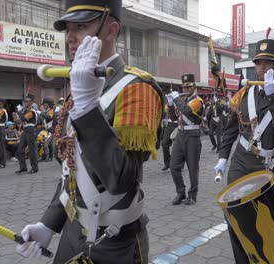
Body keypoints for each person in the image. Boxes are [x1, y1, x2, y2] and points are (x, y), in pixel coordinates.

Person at [15, 1, 164, 263]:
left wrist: (86, 109)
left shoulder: (138, 88)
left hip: (114, 241)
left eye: (81, 26)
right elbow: (72, 170)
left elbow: (120, 178)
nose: (70, 36)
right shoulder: (81, 86)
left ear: (111, 29)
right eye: (67, 28)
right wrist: (49, 224)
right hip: (73, 230)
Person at [213, 39, 274, 263]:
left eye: (267, 63)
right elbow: (231, 129)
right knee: (236, 215)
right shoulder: (244, 93)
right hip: (242, 162)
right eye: (258, 63)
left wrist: (273, 96)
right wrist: (223, 158)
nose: (261, 67)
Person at [167, 74, 203, 205]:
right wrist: (170, 104)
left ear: (194, 86)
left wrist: (176, 99)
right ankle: (180, 192)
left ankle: (192, 195)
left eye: (189, 86)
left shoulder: (197, 100)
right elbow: (173, 118)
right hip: (180, 135)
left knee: (193, 168)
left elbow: (187, 111)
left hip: (193, 136)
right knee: (173, 166)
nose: (186, 89)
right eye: (184, 87)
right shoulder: (181, 100)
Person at [15, 94, 39, 174]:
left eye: (27, 101)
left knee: (32, 150)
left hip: (31, 130)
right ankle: (23, 168)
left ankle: (34, 168)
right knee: (20, 150)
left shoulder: (32, 110)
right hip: (25, 130)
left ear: (31, 102)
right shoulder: (25, 110)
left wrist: (19, 111)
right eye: (24, 101)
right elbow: (20, 120)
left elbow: (24, 118)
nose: (25, 103)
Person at [161, 100, 178, 171]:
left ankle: (179, 163)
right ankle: (167, 163)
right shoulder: (168, 103)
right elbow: (166, 113)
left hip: (179, 124)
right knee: (164, 143)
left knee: (178, 145)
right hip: (170, 124)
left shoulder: (181, 101)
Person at [39, 97, 55, 161]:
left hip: (50, 129)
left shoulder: (51, 111)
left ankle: (47, 157)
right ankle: (45, 157)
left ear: (48, 105)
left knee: (46, 143)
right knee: (43, 143)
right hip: (45, 129)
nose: (43, 106)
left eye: (44, 105)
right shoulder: (46, 111)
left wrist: (42, 112)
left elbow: (49, 117)